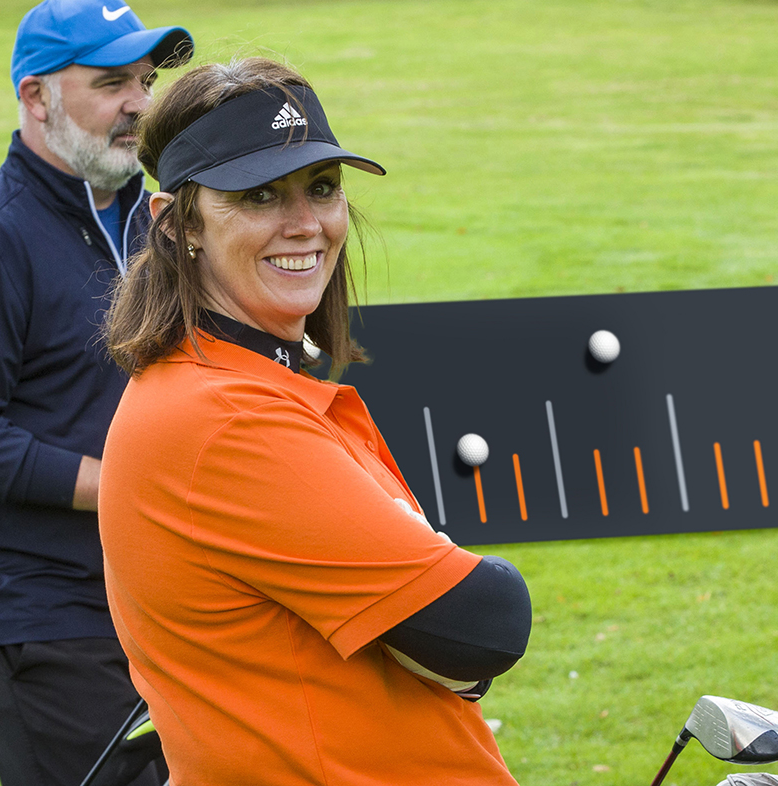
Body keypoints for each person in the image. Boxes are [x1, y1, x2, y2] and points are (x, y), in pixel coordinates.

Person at [98, 57, 534, 786]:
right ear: (177, 225)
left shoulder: (244, 383)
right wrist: (440, 589)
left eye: (322, 188)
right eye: (260, 194)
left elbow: (447, 639)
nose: (306, 224)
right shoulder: (223, 420)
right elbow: (486, 621)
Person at [0, 0, 193, 786]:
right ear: (35, 96)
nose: (138, 105)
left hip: (159, 590)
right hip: (41, 615)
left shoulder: (157, 222)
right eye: (110, 84)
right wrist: (123, 486)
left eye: (144, 82)